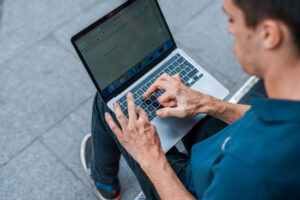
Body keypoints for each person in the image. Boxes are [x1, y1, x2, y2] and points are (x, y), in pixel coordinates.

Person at [81, 0, 300, 199]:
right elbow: (268, 120)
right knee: (174, 94)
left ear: (269, 34)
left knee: (109, 106)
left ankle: (105, 183)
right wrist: (209, 103)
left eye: (232, 19)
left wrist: (150, 156)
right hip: (223, 145)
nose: (229, 28)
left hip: (196, 184)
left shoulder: (246, 172)